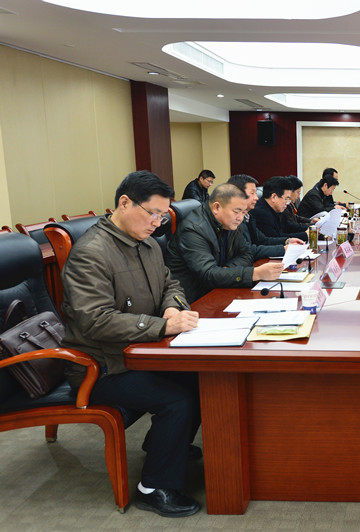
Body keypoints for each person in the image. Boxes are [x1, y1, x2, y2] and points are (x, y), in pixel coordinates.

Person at [60, 170, 202, 517]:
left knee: (204, 376)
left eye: (162, 216)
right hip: (102, 367)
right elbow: (95, 320)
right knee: (177, 399)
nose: (157, 223)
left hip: (139, 354)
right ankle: (153, 488)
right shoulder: (91, 253)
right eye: (152, 213)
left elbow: (171, 284)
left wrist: (172, 307)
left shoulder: (148, 244)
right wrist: (162, 326)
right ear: (124, 203)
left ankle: (164, 444)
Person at [166, 183, 284, 303]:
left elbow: (246, 254)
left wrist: (226, 270)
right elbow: (208, 274)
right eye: (237, 212)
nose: (240, 218)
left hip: (220, 289)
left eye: (244, 212)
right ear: (216, 207)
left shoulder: (230, 223)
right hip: (195, 300)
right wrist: (255, 273)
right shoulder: (193, 230)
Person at [227, 174, 304, 261]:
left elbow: (263, 240)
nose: (256, 198)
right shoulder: (236, 219)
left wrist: (287, 241)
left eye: (256, 193)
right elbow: (247, 250)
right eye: (252, 193)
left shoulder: (248, 216)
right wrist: (283, 249)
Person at [251, 177, 309, 242]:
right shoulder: (260, 213)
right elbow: (274, 238)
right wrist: (305, 235)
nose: (287, 203)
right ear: (274, 197)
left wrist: (311, 229)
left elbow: (289, 227)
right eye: (286, 199)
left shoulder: (277, 208)